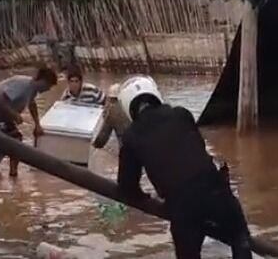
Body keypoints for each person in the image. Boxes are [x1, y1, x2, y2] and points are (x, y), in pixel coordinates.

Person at [117, 75, 253, 259]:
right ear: (155, 94)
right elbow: (199, 148)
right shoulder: (181, 114)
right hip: (214, 190)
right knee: (239, 236)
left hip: (181, 206)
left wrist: (144, 198)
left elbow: (127, 186)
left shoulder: (131, 136)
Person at [0, 66, 58, 177]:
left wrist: (37, 124)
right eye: (48, 86)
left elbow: (32, 104)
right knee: (10, 141)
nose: (48, 89)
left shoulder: (32, 89)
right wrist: (14, 115)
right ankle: (4, 172)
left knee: (13, 141)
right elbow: (0, 100)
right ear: (42, 81)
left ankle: (4, 172)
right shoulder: (23, 85)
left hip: (2, 115)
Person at [92, 84, 129, 149]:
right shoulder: (131, 105)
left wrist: (95, 145)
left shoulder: (112, 111)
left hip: (125, 145)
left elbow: (104, 134)